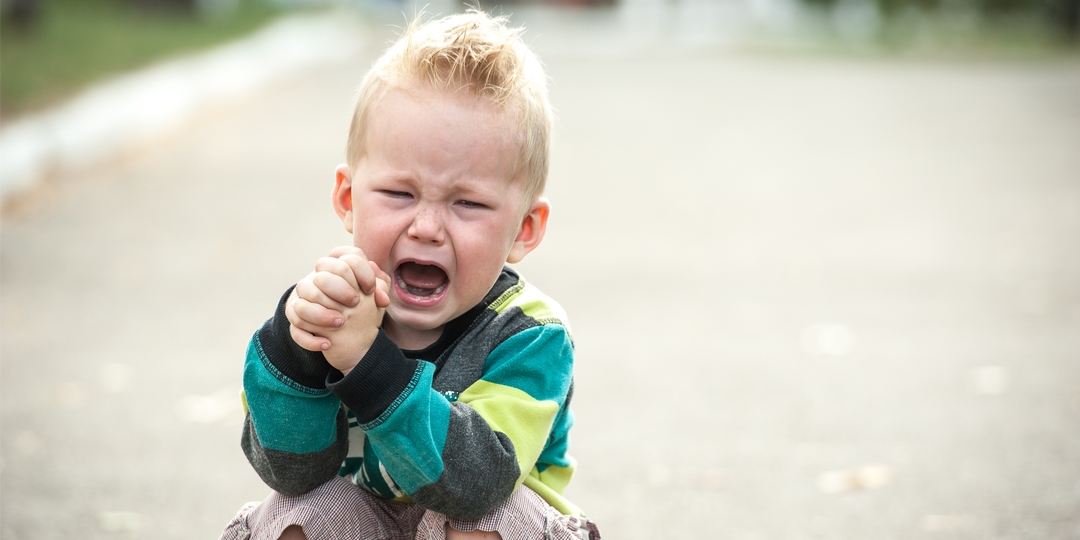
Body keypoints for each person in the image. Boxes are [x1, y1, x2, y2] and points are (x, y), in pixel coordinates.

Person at [220, 10, 600, 540]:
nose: (426, 227)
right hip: (362, 525)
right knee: (304, 509)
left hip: (470, 514)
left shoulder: (531, 335)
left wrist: (368, 365)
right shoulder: (329, 308)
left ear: (524, 228)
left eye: (467, 203)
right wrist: (296, 346)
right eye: (400, 194)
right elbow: (289, 470)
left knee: (485, 519)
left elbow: (476, 484)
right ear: (348, 199)